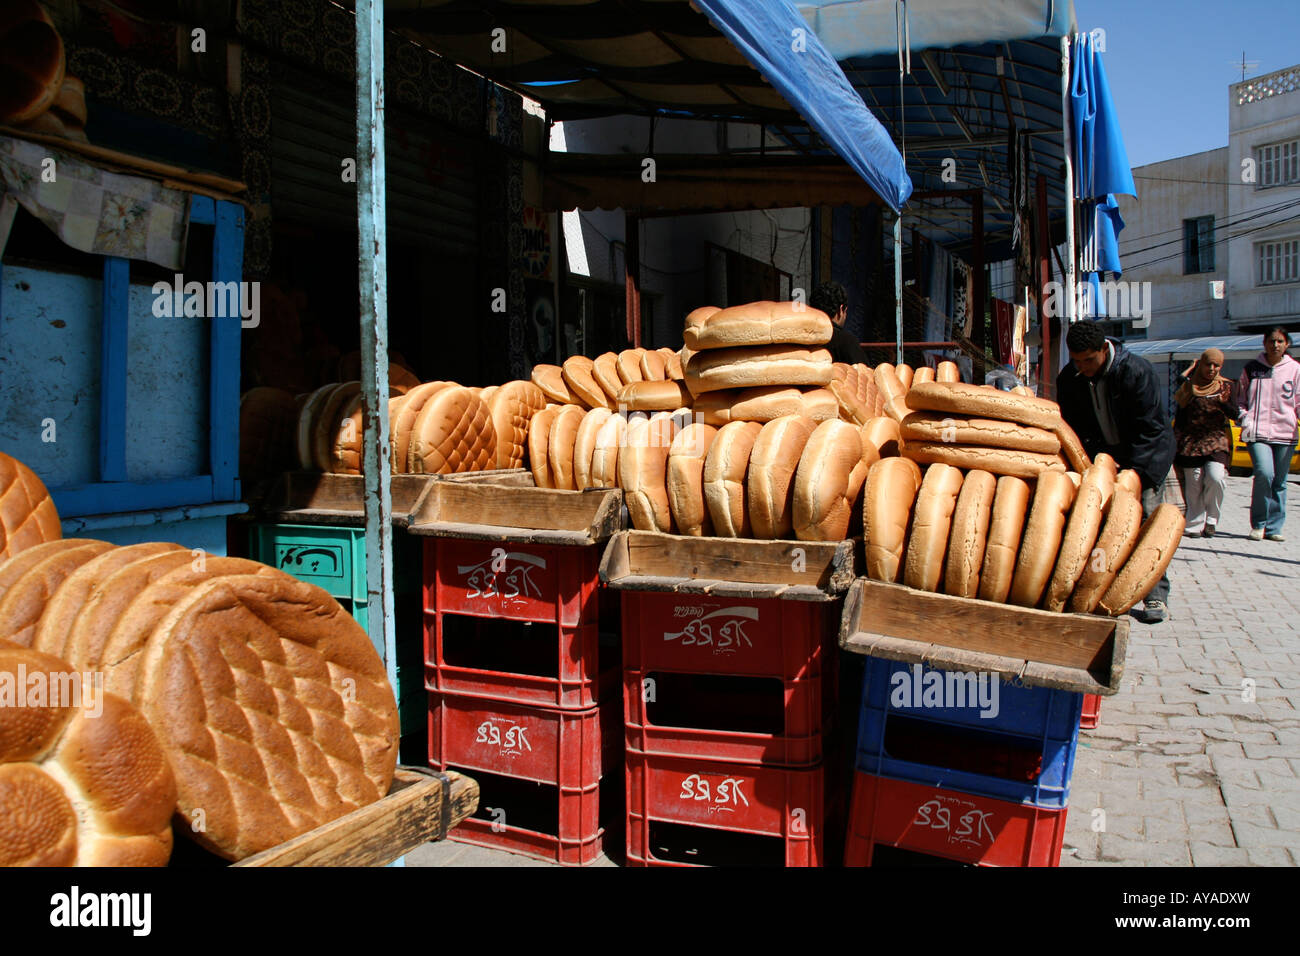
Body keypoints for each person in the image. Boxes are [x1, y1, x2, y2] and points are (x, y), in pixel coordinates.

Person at [1057, 320, 1178, 624]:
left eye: (1089, 360)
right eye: (1076, 360)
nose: (1082, 366)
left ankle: (1154, 594)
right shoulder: (1069, 378)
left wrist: (1136, 473)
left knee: (1145, 519)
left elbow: (1151, 429)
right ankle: (1101, 588)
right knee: (1098, 521)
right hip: (1103, 458)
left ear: (1103, 349)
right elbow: (1072, 429)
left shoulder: (1137, 372)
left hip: (1145, 455)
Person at [1236, 327, 1300, 541]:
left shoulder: (1295, 369)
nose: (1275, 345)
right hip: (1258, 432)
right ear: (1264, 343)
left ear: (1287, 344)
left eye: (1280, 341)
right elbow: (1240, 400)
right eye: (1272, 341)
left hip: (1286, 432)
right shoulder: (1252, 369)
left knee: (1280, 482)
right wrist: (1246, 418)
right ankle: (1259, 523)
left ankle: (1274, 527)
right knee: (1265, 474)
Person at [1173, 348, 1237, 537]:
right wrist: (1174, 443)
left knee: (1216, 477)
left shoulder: (1226, 387)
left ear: (1220, 366)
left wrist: (1225, 404)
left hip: (1215, 440)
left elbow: (1233, 412)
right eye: (1208, 364)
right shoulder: (1189, 387)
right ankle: (1195, 524)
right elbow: (1180, 417)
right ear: (1201, 364)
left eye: (1216, 365)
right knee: (1194, 482)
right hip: (1190, 441)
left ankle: (1212, 519)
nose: (1211, 368)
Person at [809, 281, 869, 365]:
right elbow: (863, 373)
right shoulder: (847, 341)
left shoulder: (804, 340)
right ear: (841, 310)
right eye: (846, 311)